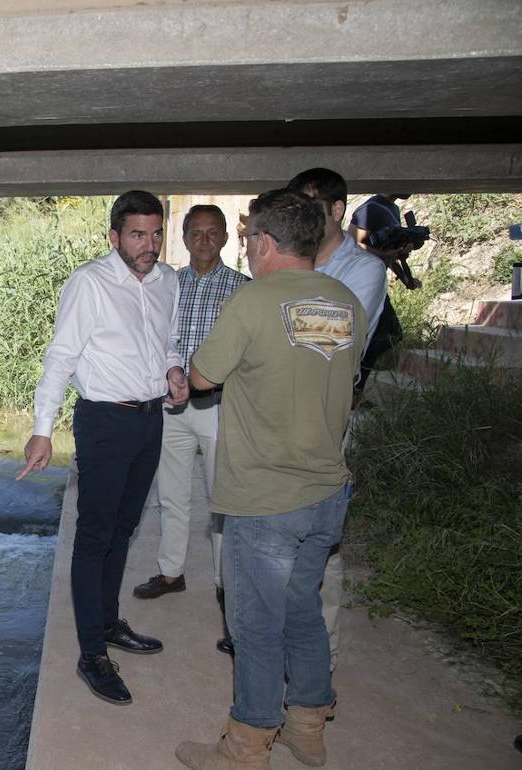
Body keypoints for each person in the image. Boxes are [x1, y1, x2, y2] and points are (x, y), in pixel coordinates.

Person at [175, 188, 366, 769]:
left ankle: (246, 744)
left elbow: (204, 375)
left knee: (255, 624)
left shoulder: (254, 302)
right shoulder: (345, 302)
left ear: (263, 241)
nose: (245, 248)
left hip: (265, 497)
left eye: (246, 237)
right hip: (326, 494)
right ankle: (307, 728)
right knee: (302, 609)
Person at [16, 190, 189, 705]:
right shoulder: (89, 282)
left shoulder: (168, 281)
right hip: (104, 422)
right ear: (114, 236)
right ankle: (91, 653)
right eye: (138, 234)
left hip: (150, 420)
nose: (149, 245)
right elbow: (61, 356)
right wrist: (42, 428)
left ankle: (110, 623)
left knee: (124, 529)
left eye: (156, 233)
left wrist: (174, 369)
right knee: (94, 537)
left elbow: (169, 342)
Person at [131, 205, 249, 654]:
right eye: (194, 232)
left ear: (224, 238)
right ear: (182, 236)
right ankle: (171, 572)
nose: (203, 240)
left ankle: (224, 584)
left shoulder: (243, 289)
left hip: (222, 407)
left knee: (223, 500)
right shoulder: (166, 284)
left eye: (211, 232)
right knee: (171, 494)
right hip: (172, 406)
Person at [286, 168, 387, 673]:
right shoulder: (291, 265)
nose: (300, 219)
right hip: (277, 418)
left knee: (320, 539)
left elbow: (331, 344)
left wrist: (279, 324)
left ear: (337, 210)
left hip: (325, 423)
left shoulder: (363, 271)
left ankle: (320, 660)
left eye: (309, 208)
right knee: (272, 535)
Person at [347, 194, 422, 396]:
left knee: (389, 334)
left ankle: (354, 385)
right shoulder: (370, 208)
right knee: (388, 332)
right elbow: (354, 244)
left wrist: (405, 276)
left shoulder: (393, 210)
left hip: (376, 282)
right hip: (362, 282)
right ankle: (352, 383)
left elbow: (387, 250)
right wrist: (386, 254)